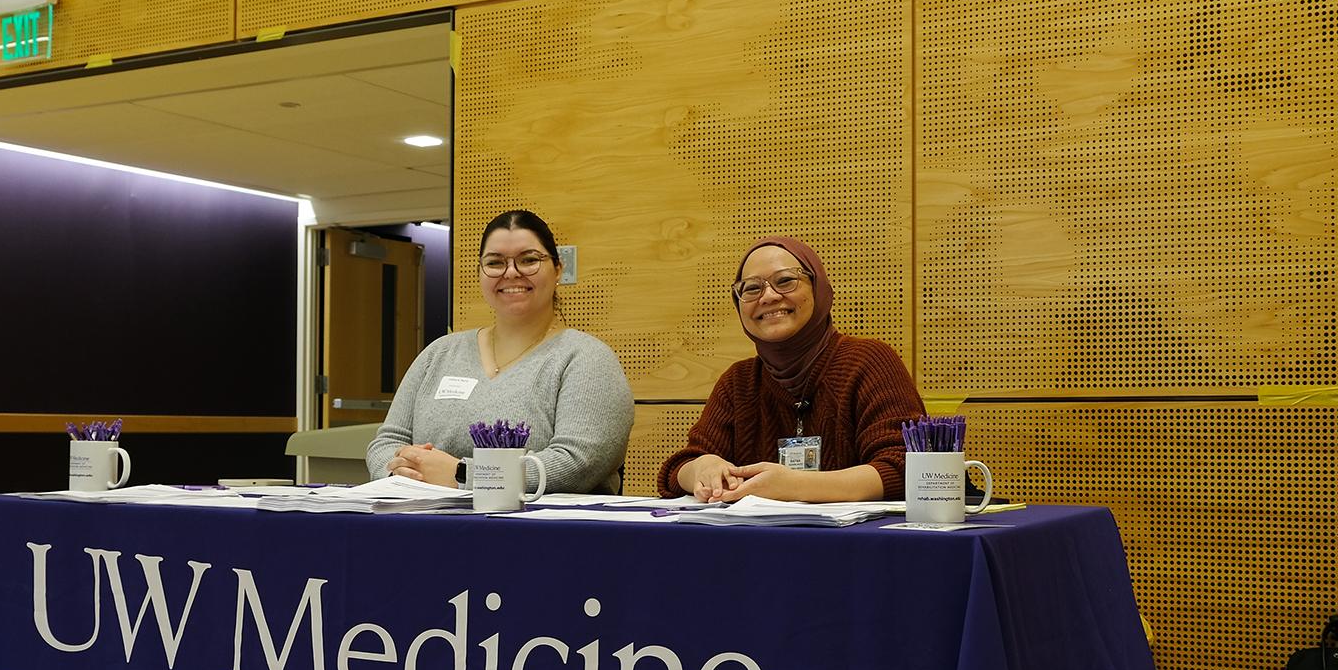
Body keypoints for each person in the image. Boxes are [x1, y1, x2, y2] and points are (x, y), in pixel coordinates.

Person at [367, 210, 633, 493]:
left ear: (558, 269)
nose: (511, 272)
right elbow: (388, 442)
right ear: (481, 273)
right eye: (495, 262)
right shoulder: (439, 354)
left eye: (529, 260)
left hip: (541, 533)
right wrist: (401, 471)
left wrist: (463, 475)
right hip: (428, 528)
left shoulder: (586, 359)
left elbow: (578, 463)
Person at [659, 236, 925, 502]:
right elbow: (679, 468)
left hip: (856, 541)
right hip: (759, 542)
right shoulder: (738, 382)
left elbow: (906, 467)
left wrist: (795, 486)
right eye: (752, 288)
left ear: (818, 288)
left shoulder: (869, 362)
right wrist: (702, 467)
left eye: (785, 281)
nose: (769, 296)